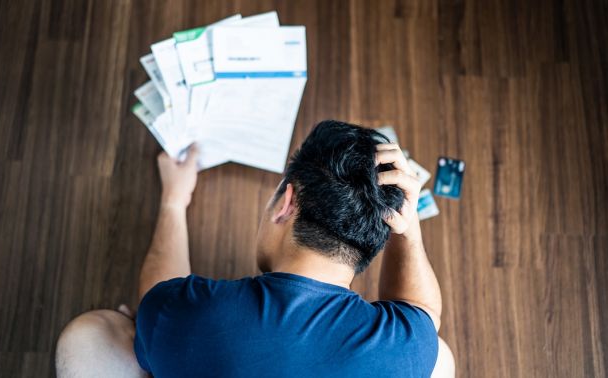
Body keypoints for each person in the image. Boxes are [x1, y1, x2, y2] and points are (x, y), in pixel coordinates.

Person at [56, 120, 455, 377]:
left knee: (89, 337)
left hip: (177, 330)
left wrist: (173, 202)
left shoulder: (192, 314)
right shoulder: (403, 343)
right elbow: (421, 316)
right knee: (438, 359)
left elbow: (159, 295)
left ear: (286, 202)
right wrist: (410, 232)